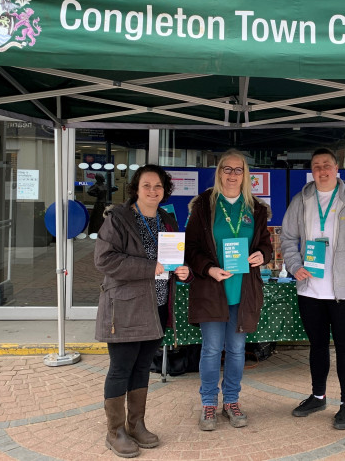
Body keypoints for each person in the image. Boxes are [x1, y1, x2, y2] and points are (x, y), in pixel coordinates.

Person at [94, 164, 190, 458]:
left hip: (156, 306)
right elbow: (105, 260)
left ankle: (136, 424)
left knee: (142, 367)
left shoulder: (166, 219)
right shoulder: (119, 219)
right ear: (136, 188)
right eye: (146, 185)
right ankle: (115, 431)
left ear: (165, 191)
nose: (152, 191)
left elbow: (171, 260)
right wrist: (151, 267)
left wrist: (182, 271)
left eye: (158, 186)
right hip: (124, 307)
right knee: (121, 368)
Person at [280, 148, 345, 430]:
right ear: (311, 170)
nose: (322, 170)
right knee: (317, 345)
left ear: (337, 169)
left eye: (327, 165)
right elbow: (287, 238)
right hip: (310, 287)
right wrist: (294, 266)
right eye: (317, 166)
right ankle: (318, 395)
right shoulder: (302, 199)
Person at [185, 149, 273, 431]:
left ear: (245, 174)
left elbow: (265, 244)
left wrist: (262, 254)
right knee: (211, 349)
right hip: (212, 289)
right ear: (219, 171)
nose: (232, 175)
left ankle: (231, 401)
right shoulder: (203, 205)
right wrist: (209, 269)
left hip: (243, 291)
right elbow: (192, 248)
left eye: (238, 170)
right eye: (227, 169)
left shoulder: (256, 208)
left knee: (236, 350)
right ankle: (209, 403)